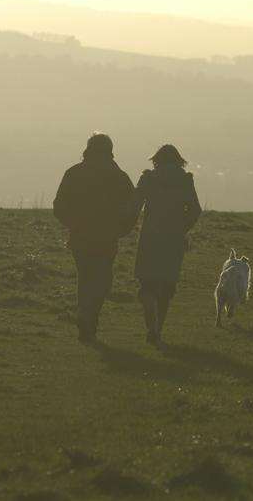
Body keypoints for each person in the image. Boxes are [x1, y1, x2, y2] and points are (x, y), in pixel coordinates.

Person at [54, 133, 138, 343]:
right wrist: (122, 230)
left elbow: (59, 206)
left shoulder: (74, 173)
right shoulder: (119, 177)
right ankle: (90, 317)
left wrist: (73, 224)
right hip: (107, 238)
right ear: (110, 150)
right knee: (103, 280)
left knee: (85, 278)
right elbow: (132, 208)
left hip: (80, 238)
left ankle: (85, 316)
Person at [134, 144, 202, 347]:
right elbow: (195, 210)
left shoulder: (148, 178)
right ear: (178, 161)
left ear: (156, 160)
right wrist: (183, 227)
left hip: (149, 238)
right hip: (173, 239)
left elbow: (135, 203)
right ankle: (158, 330)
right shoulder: (185, 180)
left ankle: (150, 322)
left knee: (147, 284)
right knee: (167, 286)